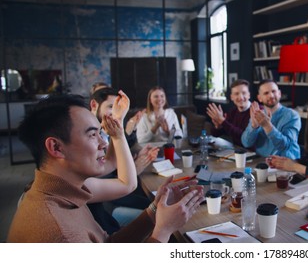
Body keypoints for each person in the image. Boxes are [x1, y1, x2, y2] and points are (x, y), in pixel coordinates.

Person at [8, 94, 204, 242]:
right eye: (93, 135)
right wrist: (164, 230)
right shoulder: (58, 232)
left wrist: (155, 209)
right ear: (56, 147)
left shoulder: (67, 190)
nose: (103, 143)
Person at [89, 87, 159, 231]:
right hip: (108, 206)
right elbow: (125, 183)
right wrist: (134, 168)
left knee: (158, 204)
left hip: (111, 200)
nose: (102, 143)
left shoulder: (104, 131)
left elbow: (110, 163)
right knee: (159, 213)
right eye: (110, 107)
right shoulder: (92, 139)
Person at [241, 79, 301, 159]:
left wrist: (267, 126)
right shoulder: (258, 115)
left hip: (286, 165)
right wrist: (254, 126)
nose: (271, 96)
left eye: (274, 91)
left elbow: (286, 146)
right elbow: (246, 143)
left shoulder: (292, 115)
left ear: (279, 94)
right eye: (266, 93)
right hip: (262, 162)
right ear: (260, 98)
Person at [207, 79, 252, 147]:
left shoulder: (257, 111)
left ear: (249, 95)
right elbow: (215, 135)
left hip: (252, 153)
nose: (241, 97)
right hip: (236, 150)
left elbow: (244, 137)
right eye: (236, 94)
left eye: (244, 93)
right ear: (232, 97)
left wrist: (222, 121)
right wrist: (218, 126)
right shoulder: (232, 112)